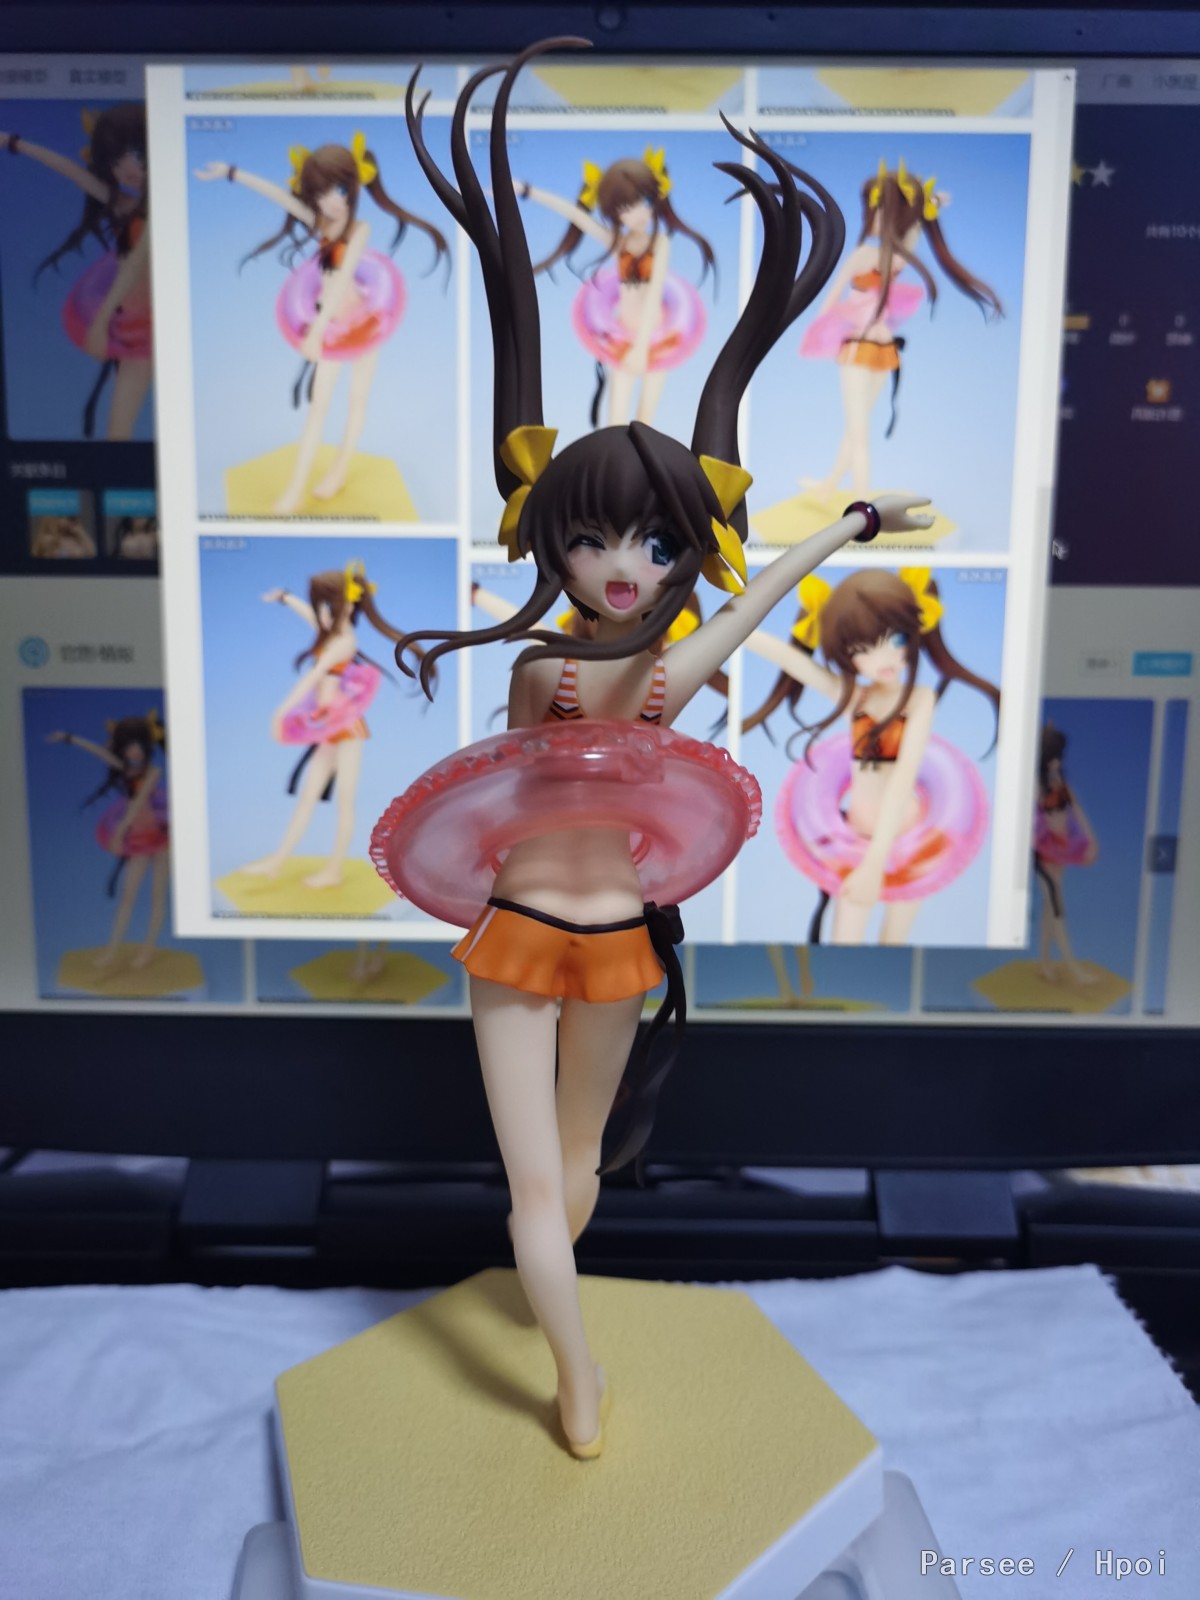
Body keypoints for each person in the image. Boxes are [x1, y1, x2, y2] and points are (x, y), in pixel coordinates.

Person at [391, 40, 932, 1459]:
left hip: (580, 938)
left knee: (565, 1175)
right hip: (560, 932)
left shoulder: (594, 674)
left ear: (680, 543)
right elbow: (723, 623)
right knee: (547, 1185)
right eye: (590, 537)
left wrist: (847, 526)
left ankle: (559, 1324)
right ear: (551, 541)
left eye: (647, 539)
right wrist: (846, 526)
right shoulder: (606, 676)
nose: (620, 563)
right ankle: (575, 1371)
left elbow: (741, 609)